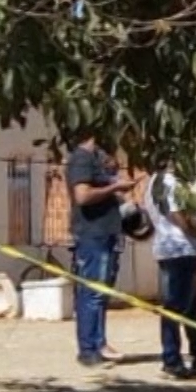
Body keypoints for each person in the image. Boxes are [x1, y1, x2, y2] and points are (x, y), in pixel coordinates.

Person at [143, 164, 196, 380]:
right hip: (180, 250)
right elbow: (180, 218)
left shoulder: (155, 182)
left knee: (193, 311)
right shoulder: (168, 182)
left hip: (178, 250)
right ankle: (171, 360)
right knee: (175, 308)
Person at [65, 131, 133, 367]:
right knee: (92, 293)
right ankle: (88, 351)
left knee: (101, 293)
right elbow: (82, 196)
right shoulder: (82, 158)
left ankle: (99, 343)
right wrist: (114, 189)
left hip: (106, 234)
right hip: (92, 235)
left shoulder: (98, 159)